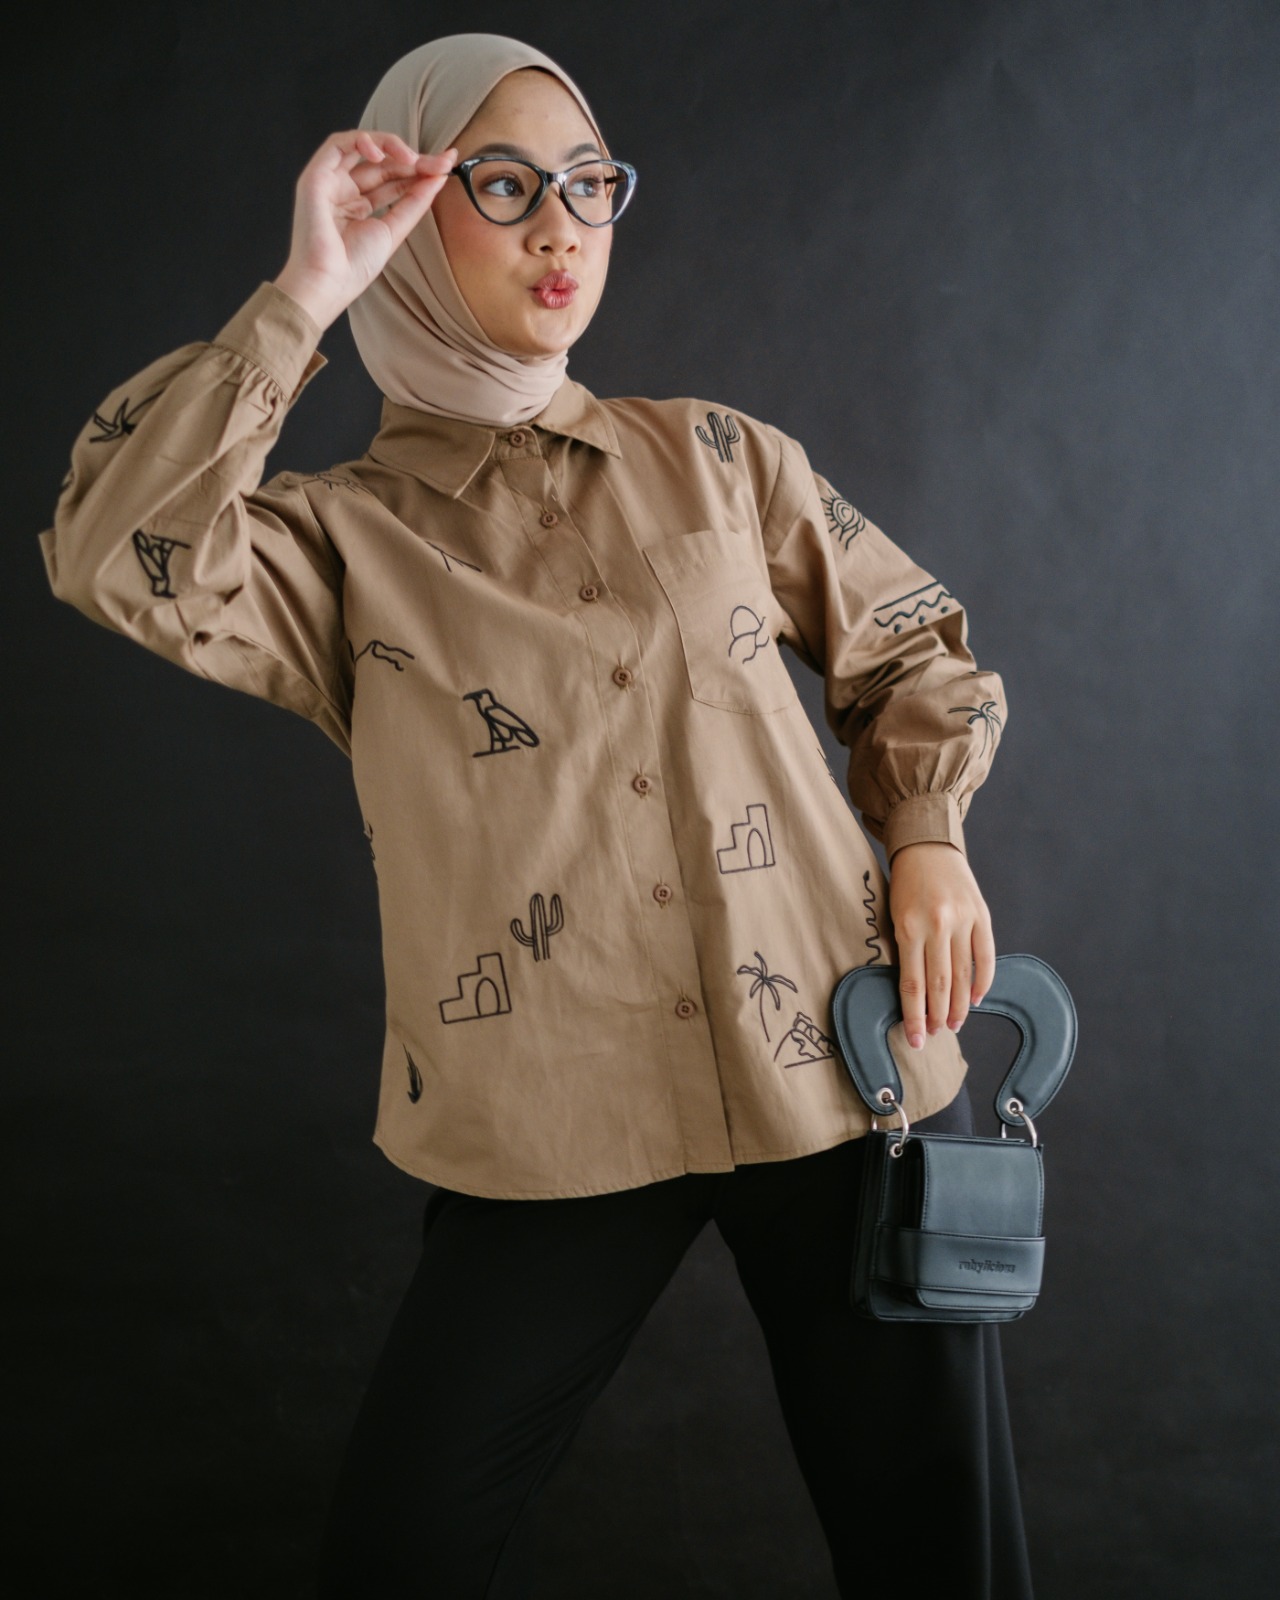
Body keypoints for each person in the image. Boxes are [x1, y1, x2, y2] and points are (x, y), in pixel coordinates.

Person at [39, 30, 1028, 1600]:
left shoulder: (716, 457)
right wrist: (307, 292)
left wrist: (926, 836)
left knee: (939, 1547)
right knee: (403, 1547)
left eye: (589, 183)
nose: (561, 226)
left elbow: (917, 648)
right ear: (412, 211)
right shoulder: (339, 545)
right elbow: (111, 552)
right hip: (548, 1116)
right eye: (501, 186)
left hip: (844, 1070)